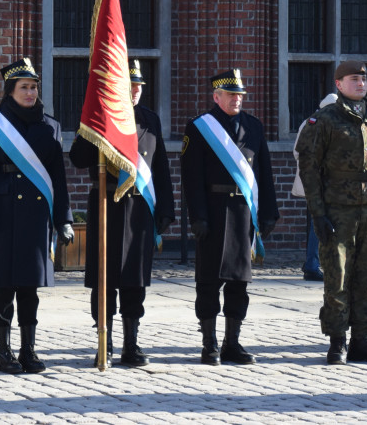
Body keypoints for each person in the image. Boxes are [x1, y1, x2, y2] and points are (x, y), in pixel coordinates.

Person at [0, 57, 73, 374]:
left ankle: (28, 350)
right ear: (10, 90)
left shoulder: (50, 126)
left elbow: (58, 178)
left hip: (35, 218)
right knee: (3, 287)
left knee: (30, 288)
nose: (30, 93)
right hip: (2, 217)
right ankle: (4, 351)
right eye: (24, 87)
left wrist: (63, 219)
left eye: (33, 87)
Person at [69, 59, 175, 367]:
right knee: (104, 279)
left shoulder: (149, 120)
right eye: (130, 85)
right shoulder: (100, 118)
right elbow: (78, 158)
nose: (136, 91)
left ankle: (131, 344)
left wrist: (165, 208)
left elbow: (160, 168)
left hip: (139, 209)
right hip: (107, 207)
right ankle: (107, 341)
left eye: (139, 86)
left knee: (135, 279)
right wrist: (92, 127)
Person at [296, 60, 367, 365]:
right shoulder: (325, 120)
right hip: (337, 209)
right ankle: (337, 340)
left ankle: (362, 340)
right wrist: (317, 212)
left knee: (366, 278)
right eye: (353, 79)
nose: (361, 84)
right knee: (337, 276)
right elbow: (310, 168)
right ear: (338, 84)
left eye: (364, 79)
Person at [181, 69, 279, 366]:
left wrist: (269, 212)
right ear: (216, 96)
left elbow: (264, 172)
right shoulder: (200, 127)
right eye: (231, 95)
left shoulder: (254, 126)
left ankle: (232, 343)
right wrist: (197, 215)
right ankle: (209, 344)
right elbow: (191, 177)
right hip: (213, 211)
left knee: (239, 282)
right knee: (209, 281)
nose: (237, 99)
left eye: (240, 95)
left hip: (243, 213)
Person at [292, 93, 339, 282]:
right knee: (317, 224)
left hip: (320, 183)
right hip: (320, 183)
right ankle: (312, 264)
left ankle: (314, 263)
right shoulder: (316, 123)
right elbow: (300, 152)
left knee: (317, 223)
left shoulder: (309, 121)